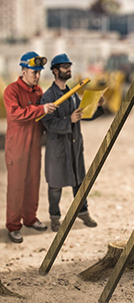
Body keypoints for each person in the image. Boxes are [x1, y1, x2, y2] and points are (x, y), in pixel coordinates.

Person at [40, 54, 99, 232]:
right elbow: (48, 123)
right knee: (55, 185)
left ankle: (83, 212)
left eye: (69, 66)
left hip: (74, 145)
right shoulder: (48, 96)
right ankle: (55, 217)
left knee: (79, 181)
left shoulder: (72, 94)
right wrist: (69, 120)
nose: (69, 69)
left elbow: (84, 113)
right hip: (58, 147)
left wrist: (97, 105)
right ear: (55, 71)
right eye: (65, 67)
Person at [4, 52, 57, 243]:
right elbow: (15, 113)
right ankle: (13, 226)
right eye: (34, 72)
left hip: (34, 144)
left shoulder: (38, 92)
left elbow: (42, 118)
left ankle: (30, 219)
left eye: (39, 72)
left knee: (33, 183)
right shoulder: (11, 90)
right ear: (24, 71)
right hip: (17, 145)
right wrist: (41, 109)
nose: (37, 76)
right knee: (16, 185)